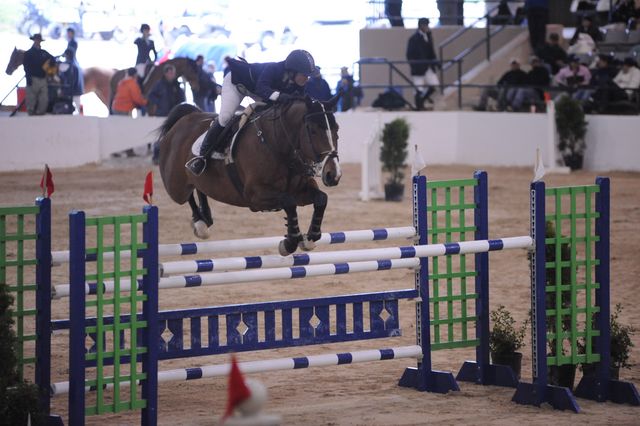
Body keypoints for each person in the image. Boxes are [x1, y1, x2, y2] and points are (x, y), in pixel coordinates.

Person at [186, 49, 316, 176]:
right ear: (293, 71)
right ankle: (202, 156)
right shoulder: (274, 69)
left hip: (257, 92)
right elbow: (261, 88)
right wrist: (280, 96)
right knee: (225, 117)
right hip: (236, 85)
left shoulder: (299, 83)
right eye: (305, 75)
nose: (307, 78)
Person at [406, 17, 439, 111]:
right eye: (425, 25)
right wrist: (415, 66)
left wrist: (436, 62)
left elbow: (431, 52)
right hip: (419, 67)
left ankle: (422, 101)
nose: (427, 27)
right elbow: (409, 55)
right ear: (421, 26)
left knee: (434, 84)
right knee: (418, 87)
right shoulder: (413, 39)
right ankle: (419, 105)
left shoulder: (428, 37)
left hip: (428, 66)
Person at [23, 33, 55, 116]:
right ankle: (31, 113)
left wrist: (50, 67)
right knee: (31, 98)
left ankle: (40, 113)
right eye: (36, 40)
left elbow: (53, 59)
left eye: (39, 40)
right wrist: (28, 79)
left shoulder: (44, 53)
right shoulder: (28, 53)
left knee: (44, 98)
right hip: (32, 78)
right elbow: (26, 68)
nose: (38, 41)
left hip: (43, 79)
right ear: (33, 40)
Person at [57, 48, 84, 114]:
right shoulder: (77, 65)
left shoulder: (66, 65)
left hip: (70, 91)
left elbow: (59, 73)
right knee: (78, 108)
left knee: (68, 109)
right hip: (78, 90)